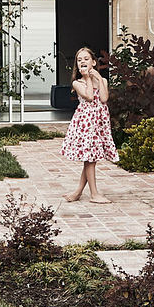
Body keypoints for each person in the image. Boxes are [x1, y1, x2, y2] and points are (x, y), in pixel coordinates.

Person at [61, 46, 116, 203]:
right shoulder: (77, 83)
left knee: (90, 158)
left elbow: (104, 99)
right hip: (86, 123)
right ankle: (94, 194)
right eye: (79, 60)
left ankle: (78, 192)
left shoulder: (102, 80)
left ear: (93, 62)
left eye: (86, 59)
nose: (82, 62)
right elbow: (90, 97)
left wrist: (98, 78)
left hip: (99, 122)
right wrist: (87, 79)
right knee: (90, 158)